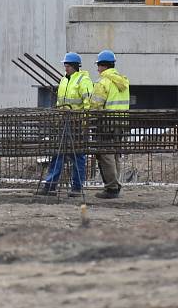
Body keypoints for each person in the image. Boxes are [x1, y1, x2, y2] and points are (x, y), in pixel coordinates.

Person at [37, 52, 93, 197]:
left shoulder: (83, 80)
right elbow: (59, 102)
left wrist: (85, 123)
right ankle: (50, 186)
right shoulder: (63, 80)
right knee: (58, 154)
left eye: (67, 66)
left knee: (78, 156)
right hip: (63, 123)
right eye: (65, 66)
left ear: (74, 66)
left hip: (77, 124)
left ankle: (76, 187)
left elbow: (88, 104)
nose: (65, 68)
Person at [89, 49, 130, 199]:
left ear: (104, 66)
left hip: (106, 124)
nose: (97, 69)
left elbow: (95, 106)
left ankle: (111, 187)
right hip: (121, 123)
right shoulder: (123, 81)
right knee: (115, 155)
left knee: (106, 155)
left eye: (98, 65)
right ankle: (115, 185)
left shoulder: (103, 82)